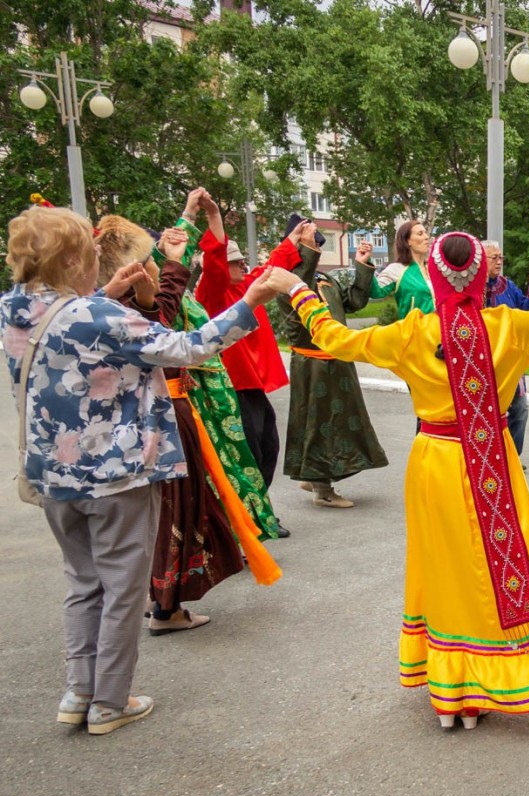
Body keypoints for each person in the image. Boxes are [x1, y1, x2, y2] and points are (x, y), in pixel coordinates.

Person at [273, 229, 529, 729]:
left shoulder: (411, 332)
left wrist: (297, 292)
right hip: (492, 459)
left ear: (435, 276)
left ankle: (451, 693)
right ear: (481, 275)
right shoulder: (510, 326)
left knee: (444, 566)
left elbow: (336, 338)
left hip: (436, 459)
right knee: (493, 568)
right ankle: (493, 679)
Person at [1, 205, 271, 733]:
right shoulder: (99, 316)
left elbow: (68, 333)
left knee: (82, 583)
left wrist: (105, 296)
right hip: (116, 474)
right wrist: (252, 300)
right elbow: (189, 348)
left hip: (52, 476)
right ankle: (110, 703)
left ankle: (79, 693)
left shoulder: (13, 309)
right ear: (75, 257)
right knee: (123, 589)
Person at [101, 215, 281, 635]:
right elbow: (178, 342)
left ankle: (157, 598)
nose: (156, 266)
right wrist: (250, 302)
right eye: (149, 259)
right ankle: (166, 607)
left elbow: (164, 306)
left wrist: (164, 276)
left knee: (166, 512)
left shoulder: (109, 305)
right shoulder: (118, 312)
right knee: (179, 510)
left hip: (157, 416)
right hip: (165, 416)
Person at [274, 228, 389, 506]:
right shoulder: (288, 283)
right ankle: (322, 490)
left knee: (341, 425)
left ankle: (312, 475)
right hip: (312, 365)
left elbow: (356, 301)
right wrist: (302, 243)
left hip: (337, 362)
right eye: (310, 241)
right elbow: (299, 282)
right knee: (318, 425)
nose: (317, 242)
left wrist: (361, 263)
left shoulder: (324, 279)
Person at [189, 193, 291, 500]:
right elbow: (215, 263)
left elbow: (271, 269)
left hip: (252, 385)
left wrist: (295, 239)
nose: (243, 265)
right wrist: (214, 217)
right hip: (232, 387)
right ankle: (248, 513)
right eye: (236, 261)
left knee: (268, 445)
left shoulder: (245, 287)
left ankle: (259, 506)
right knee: (248, 453)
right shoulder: (212, 292)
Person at [482, 239, 529, 456]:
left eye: (501, 258)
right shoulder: (472, 287)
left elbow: (526, 310)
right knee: (488, 412)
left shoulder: (507, 285)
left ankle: (512, 458)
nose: (499, 262)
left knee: (519, 410)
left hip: (511, 358)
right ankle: (490, 457)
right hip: (484, 360)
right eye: (494, 258)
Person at [371, 219, 434, 318]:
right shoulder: (397, 269)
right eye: (420, 234)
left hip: (440, 331)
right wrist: (366, 263)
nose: (426, 237)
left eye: (426, 233)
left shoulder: (434, 269)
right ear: (408, 241)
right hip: (414, 331)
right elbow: (376, 292)